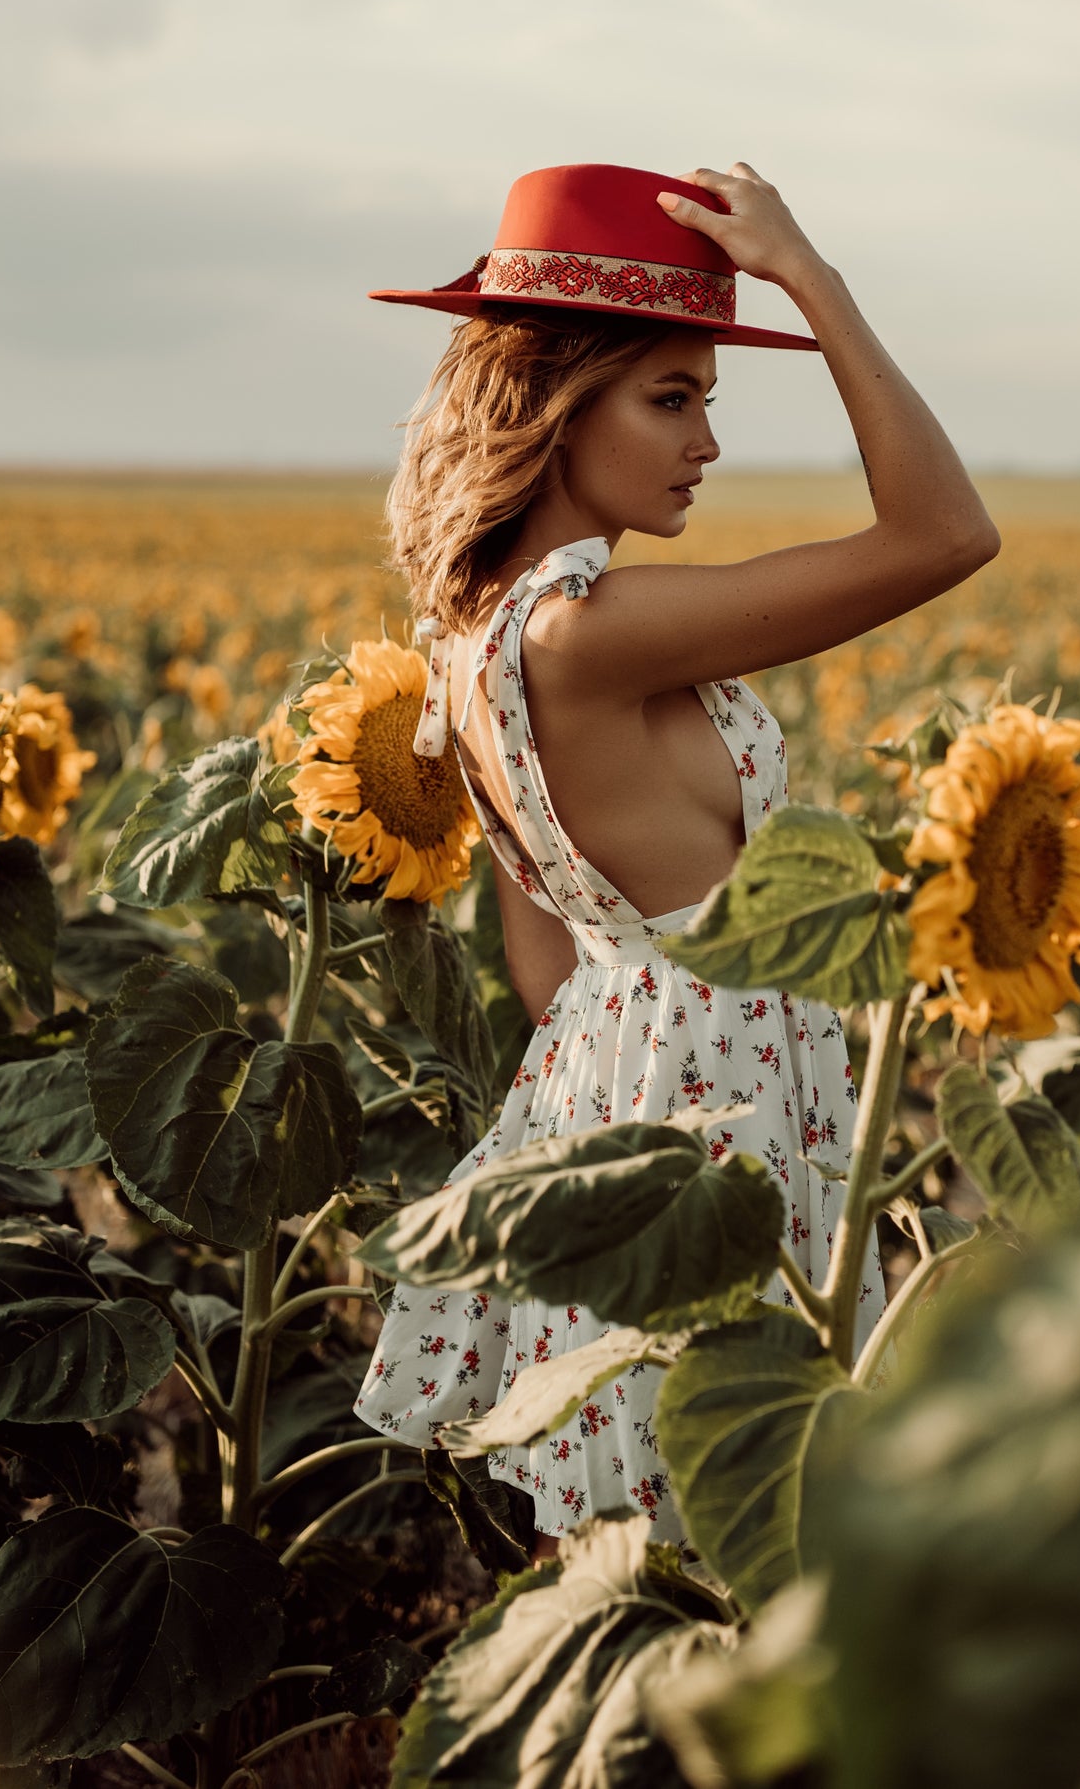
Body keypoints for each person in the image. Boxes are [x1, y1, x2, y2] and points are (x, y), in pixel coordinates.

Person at [352, 160, 1000, 1559]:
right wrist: (809, 279)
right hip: (728, 1104)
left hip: (622, 1080)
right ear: (550, 398)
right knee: (766, 1508)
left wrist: (642, 1080)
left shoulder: (470, 643)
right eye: (671, 395)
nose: (706, 439)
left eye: (707, 396)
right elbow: (946, 532)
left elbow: (546, 955)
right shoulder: (590, 626)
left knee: (663, 1531)